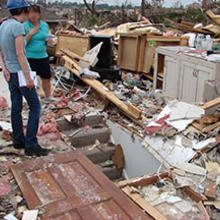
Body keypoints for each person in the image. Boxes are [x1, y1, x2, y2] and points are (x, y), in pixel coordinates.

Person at [0, 0, 49, 157]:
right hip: (20, 72)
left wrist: (4, 68)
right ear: (23, 10)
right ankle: (31, 145)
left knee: (16, 105)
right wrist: (28, 77)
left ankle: (18, 140)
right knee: (35, 106)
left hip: (10, 73)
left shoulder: (4, 25)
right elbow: (20, 53)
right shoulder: (17, 27)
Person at [24, 5, 58, 103]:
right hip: (30, 57)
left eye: (36, 12)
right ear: (27, 14)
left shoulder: (44, 25)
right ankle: (33, 99)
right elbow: (22, 43)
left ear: (39, 14)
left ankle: (48, 96)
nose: (33, 15)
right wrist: (30, 34)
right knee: (31, 80)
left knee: (46, 77)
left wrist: (49, 40)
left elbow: (47, 37)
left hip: (43, 56)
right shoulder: (24, 26)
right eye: (31, 12)